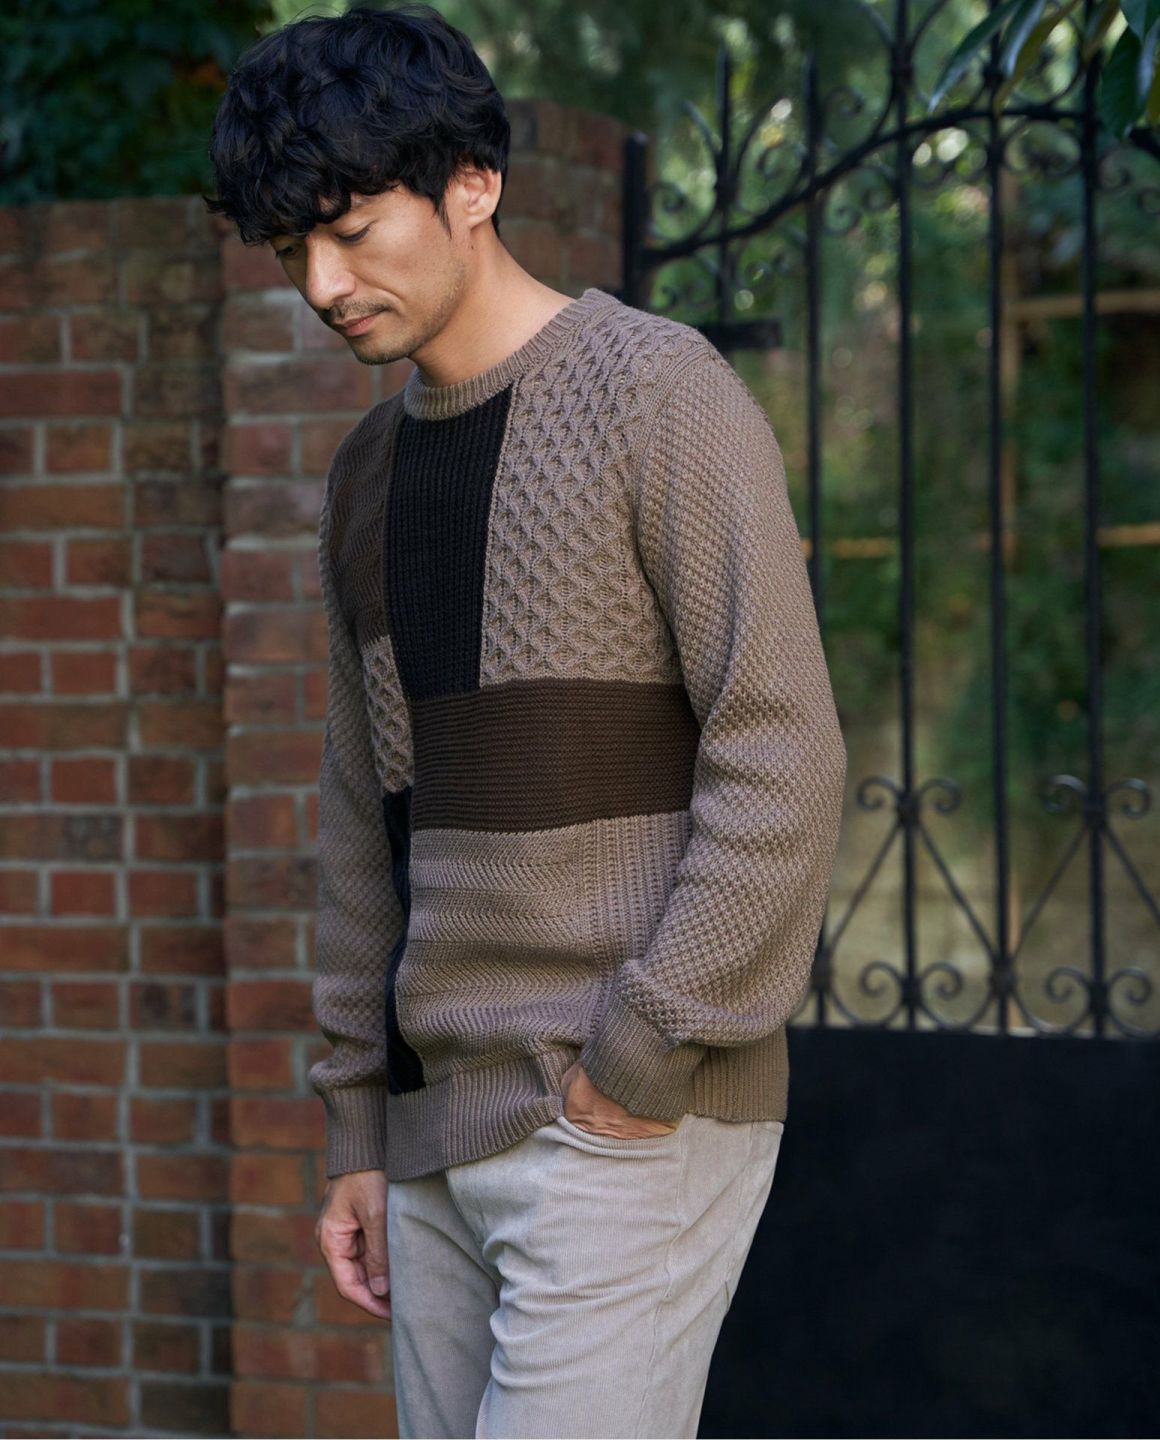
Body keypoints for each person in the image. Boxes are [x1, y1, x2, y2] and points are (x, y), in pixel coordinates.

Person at [206, 5, 846, 1436]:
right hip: (435, 1141)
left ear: (474, 184)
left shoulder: (657, 393)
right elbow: (366, 823)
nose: (323, 284)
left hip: (620, 1117)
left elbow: (781, 750)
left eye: (351, 231)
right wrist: (359, 1123)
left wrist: (643, 1051)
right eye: (293, 250)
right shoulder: (366, 475)